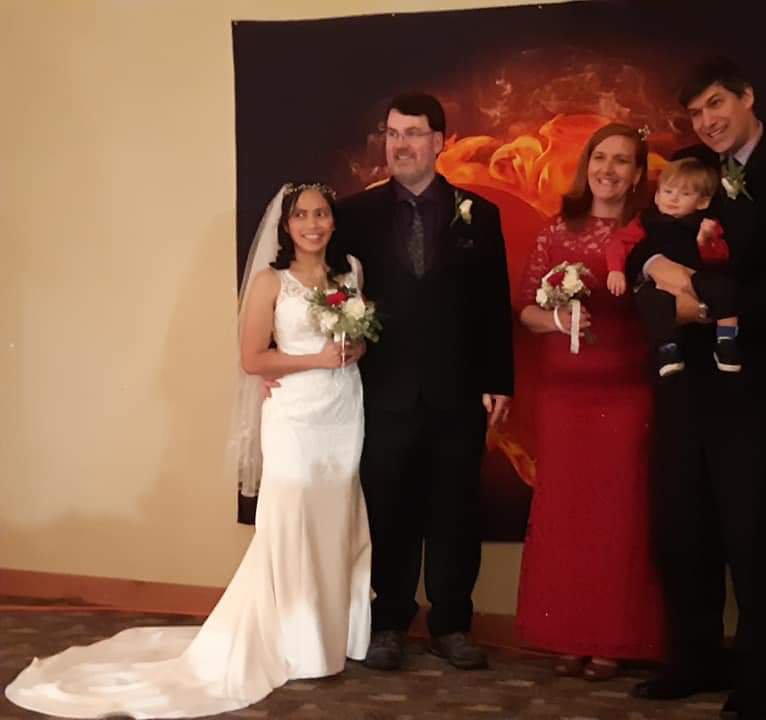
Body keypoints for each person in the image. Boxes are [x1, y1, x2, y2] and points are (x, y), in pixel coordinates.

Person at [5, 183, 373, 718]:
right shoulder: (271, 282)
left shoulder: (351, 272)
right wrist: (314, 362)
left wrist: (352, 348)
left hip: (343, 411)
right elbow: (252, 359)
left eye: (320, 214)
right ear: (286, 225)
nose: (312, 224)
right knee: (293, 519)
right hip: (296, 416)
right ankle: (298, 642)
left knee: (337, 515)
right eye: (301, 216)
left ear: (333, 221)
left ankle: (335, 635)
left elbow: (355, 341)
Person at [628, 57, 766, 720]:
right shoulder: (692, 169)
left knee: (751, 531)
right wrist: (657, 263)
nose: (706, 121)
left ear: (747, 97)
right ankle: (695, 658)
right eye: (696, 113)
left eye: (716, 104)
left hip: (756, 386)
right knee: (683, 525)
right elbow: (644, 241)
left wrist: (706, 307)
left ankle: (760, 674)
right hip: (685, 385)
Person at [334, 93, 515, 671]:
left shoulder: (479, 214)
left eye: (413, 133)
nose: (401, 145)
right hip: (381, 391)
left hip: (458, 389)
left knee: (456, 511)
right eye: (392, 134)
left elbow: (493, 304)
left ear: (439, 142)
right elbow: (327, 295)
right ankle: (388, 623)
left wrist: (499, 379)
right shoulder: (354, 214)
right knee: (388, 509)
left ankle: (451, 624)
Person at [513, 123, 665, 681]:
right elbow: (526, 309)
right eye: (600, 157)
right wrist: (559, 319)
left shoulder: (650, 232)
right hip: (564, 396)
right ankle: (567, 634)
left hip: (626, 392)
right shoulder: (558, 230)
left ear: (638, 174)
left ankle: (612, 639)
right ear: (586, 166)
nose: (608, 169)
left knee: (619, 518)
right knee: (567, 516)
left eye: (622, 160)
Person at [620, 157, 741, 377]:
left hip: (696, 280)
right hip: (656, 285)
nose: (674, 198)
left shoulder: (704, 224)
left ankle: (726, 340)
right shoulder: (645, 222)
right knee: (650, 299)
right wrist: (616, 270)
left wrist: (705, 240)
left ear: (702, 202)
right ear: (657, 196)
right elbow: (624, 247)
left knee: (723, 286)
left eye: (685, 194)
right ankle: (667, 348)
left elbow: (719, 258)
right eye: (668, 191)